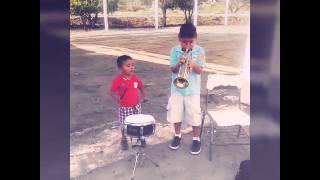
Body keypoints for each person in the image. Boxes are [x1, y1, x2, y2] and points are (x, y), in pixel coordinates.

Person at [167, 23, 206, 155]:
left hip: (192, 91)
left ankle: (196, 138)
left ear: (196, 38)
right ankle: (177, 135)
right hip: (177, 90)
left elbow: (200, 71)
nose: (188, 45)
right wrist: (179, 62)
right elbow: (173, 69)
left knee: (195, 116)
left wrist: (192, 64)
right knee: (175, 114)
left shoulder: (200, 51)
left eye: (191, 42)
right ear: (179, 39)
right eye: (184, 42)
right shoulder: (174, 50)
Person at [110, 55, 146, 150]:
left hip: (136, 106)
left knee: (138, 122)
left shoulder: (135, 78)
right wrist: (118, 100)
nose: (131, 67)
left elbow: (141, 87)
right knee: (124, 124)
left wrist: (143, 96)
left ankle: (140, 137)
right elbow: (112, 92)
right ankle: (124, 139)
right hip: (124, 108)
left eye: (133, 65)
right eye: (128, 65)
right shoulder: (118, 80)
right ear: (120, 68)